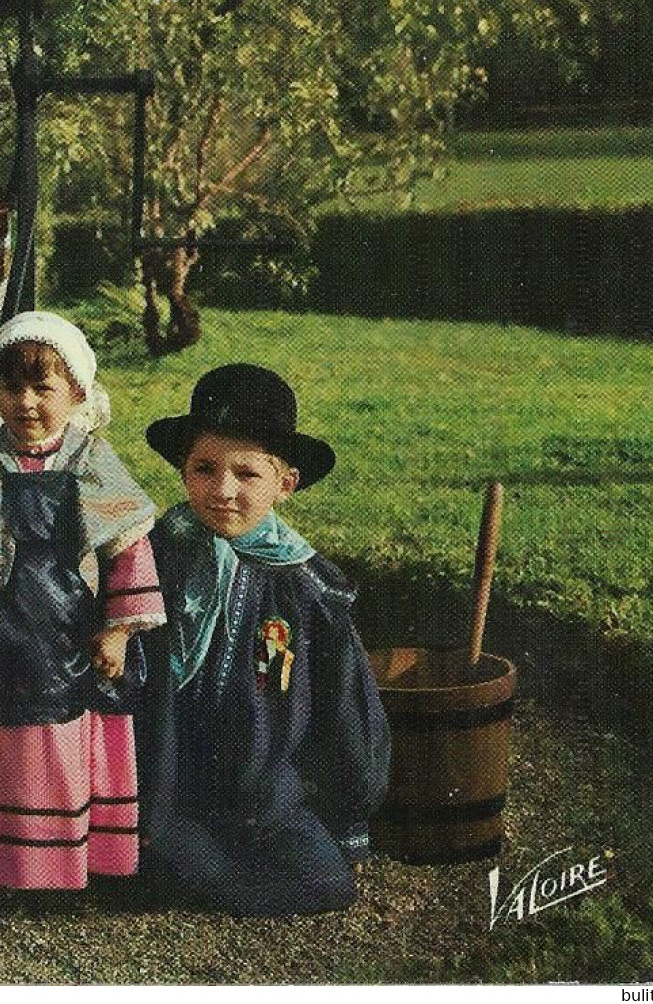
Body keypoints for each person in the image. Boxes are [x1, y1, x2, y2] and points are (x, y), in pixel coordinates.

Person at [0, 311, 166, 894]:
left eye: (42, 387)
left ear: (77, 392)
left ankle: (65, 864)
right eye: (12, 388)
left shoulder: (90, 461)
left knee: (61, 737)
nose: (26, 402)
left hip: (70, 629)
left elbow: (128, 546)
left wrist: (118, 630)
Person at [134, 363, 391, 915]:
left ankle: (219, 878)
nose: (222, 490)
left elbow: (342, 704)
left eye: (246, 474)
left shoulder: (307, 586)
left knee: (326, 885)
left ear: (285, 483)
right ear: (184, 470)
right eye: (205, 468)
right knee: (171, 862)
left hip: (264, 791)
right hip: (175, 782)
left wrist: (347, 804)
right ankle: (188, 864)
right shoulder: (155, 560)